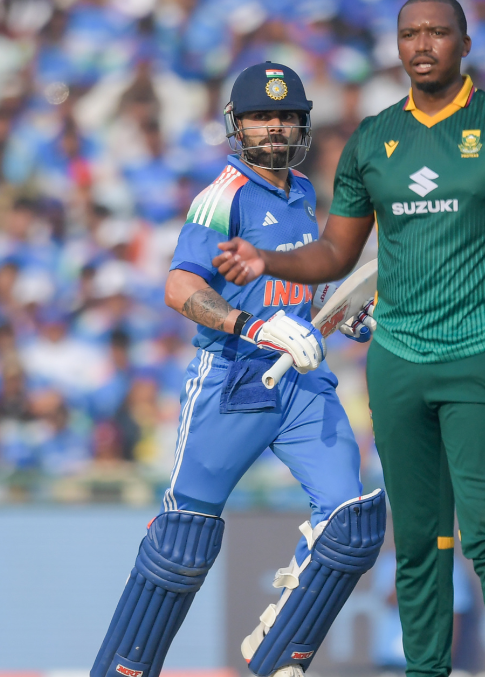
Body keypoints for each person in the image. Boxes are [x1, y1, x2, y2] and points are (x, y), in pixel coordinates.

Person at [212, 0, 485, 677]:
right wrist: (267, 260)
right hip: (397, 363)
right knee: (418, 544)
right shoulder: (373, 140)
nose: (423, 45)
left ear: (464, 43)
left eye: (438, 33)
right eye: (410, 33)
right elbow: (334, 255)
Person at [90, 62, 385, 677]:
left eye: (286, 116)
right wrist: (250, 326)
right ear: (237, 125)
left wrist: (345, 314)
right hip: (233, 378)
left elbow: (302, 284)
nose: (275, 127)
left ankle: (278, 650)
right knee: (183, 545)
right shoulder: (221, 195)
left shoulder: (302, 191)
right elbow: (178, 287)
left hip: (302, 382)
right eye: (261, 116)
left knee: (352, 524)